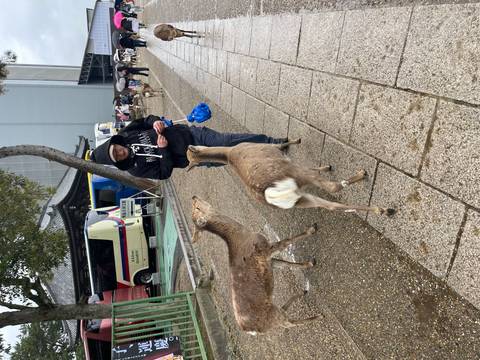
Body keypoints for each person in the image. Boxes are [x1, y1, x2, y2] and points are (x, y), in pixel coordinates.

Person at [90, 115, 287, 180]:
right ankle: (268, 156)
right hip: (195, 156)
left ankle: (271, 143)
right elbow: (164, 173)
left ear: (114, 143)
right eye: (117, 156)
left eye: (116, 148)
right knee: (233, 157)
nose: (120, 152)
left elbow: (146, 119)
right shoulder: (136, 169)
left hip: (190, 134)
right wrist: (163, 149)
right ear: (118, 162)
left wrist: (156, 122)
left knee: (228, 141)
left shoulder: (127, 133)